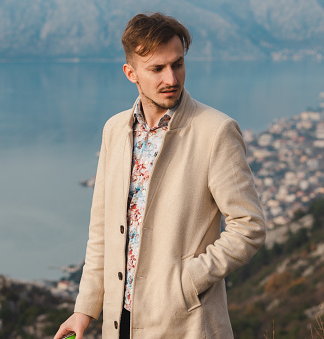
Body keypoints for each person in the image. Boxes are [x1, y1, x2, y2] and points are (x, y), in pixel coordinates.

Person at [54, 12, 266, 339]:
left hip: (185, 323)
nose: (172, 78)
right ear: (131, 73)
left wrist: (187, 281)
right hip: (119, 323)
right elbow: (102, 229)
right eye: (157, 69)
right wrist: (84, 309)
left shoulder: (216, 131)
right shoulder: (115, 130)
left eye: (177, 64)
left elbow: (249, 225)